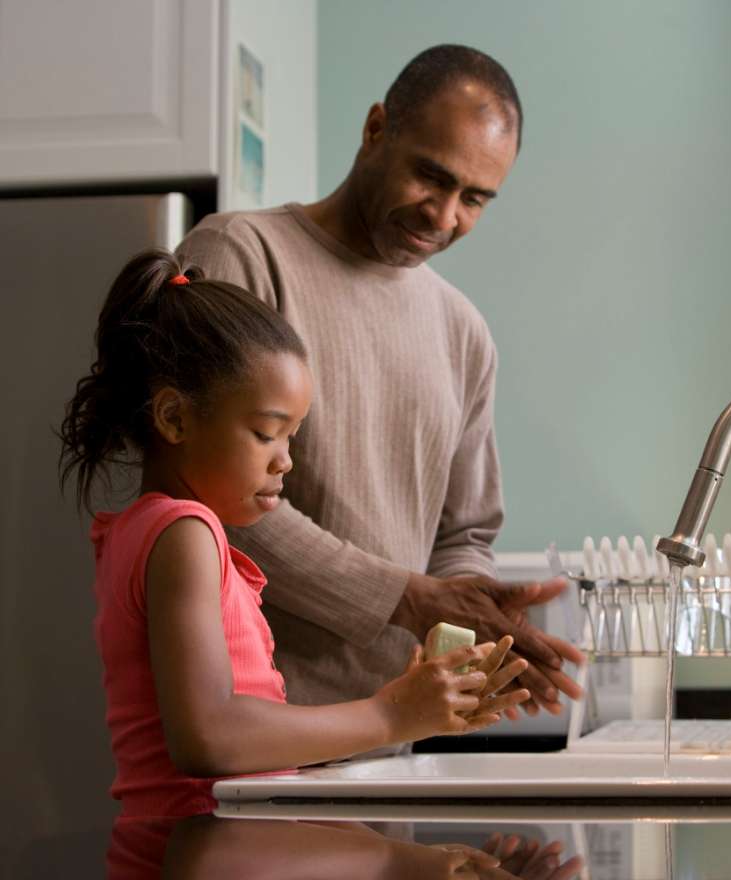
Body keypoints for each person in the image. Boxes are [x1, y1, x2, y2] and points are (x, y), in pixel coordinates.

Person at [176, 44, 584, 717]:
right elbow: (207, 494)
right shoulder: (239, 256)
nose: (444, 215)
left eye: (475, 199)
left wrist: (473, 617)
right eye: (431, 175)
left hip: (390, 735)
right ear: (375, 130)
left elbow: (464, 535)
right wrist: (408, 599)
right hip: (248, 728)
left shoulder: (463, 332)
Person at [58, 249, 530, 818]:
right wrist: (390, 715)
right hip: (194, 853)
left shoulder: (147, 530)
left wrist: (409, 706)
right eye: (266, 434)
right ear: (175, 419)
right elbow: (210, 736)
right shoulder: (185, 533)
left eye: (292, 437)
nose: (286, 462)